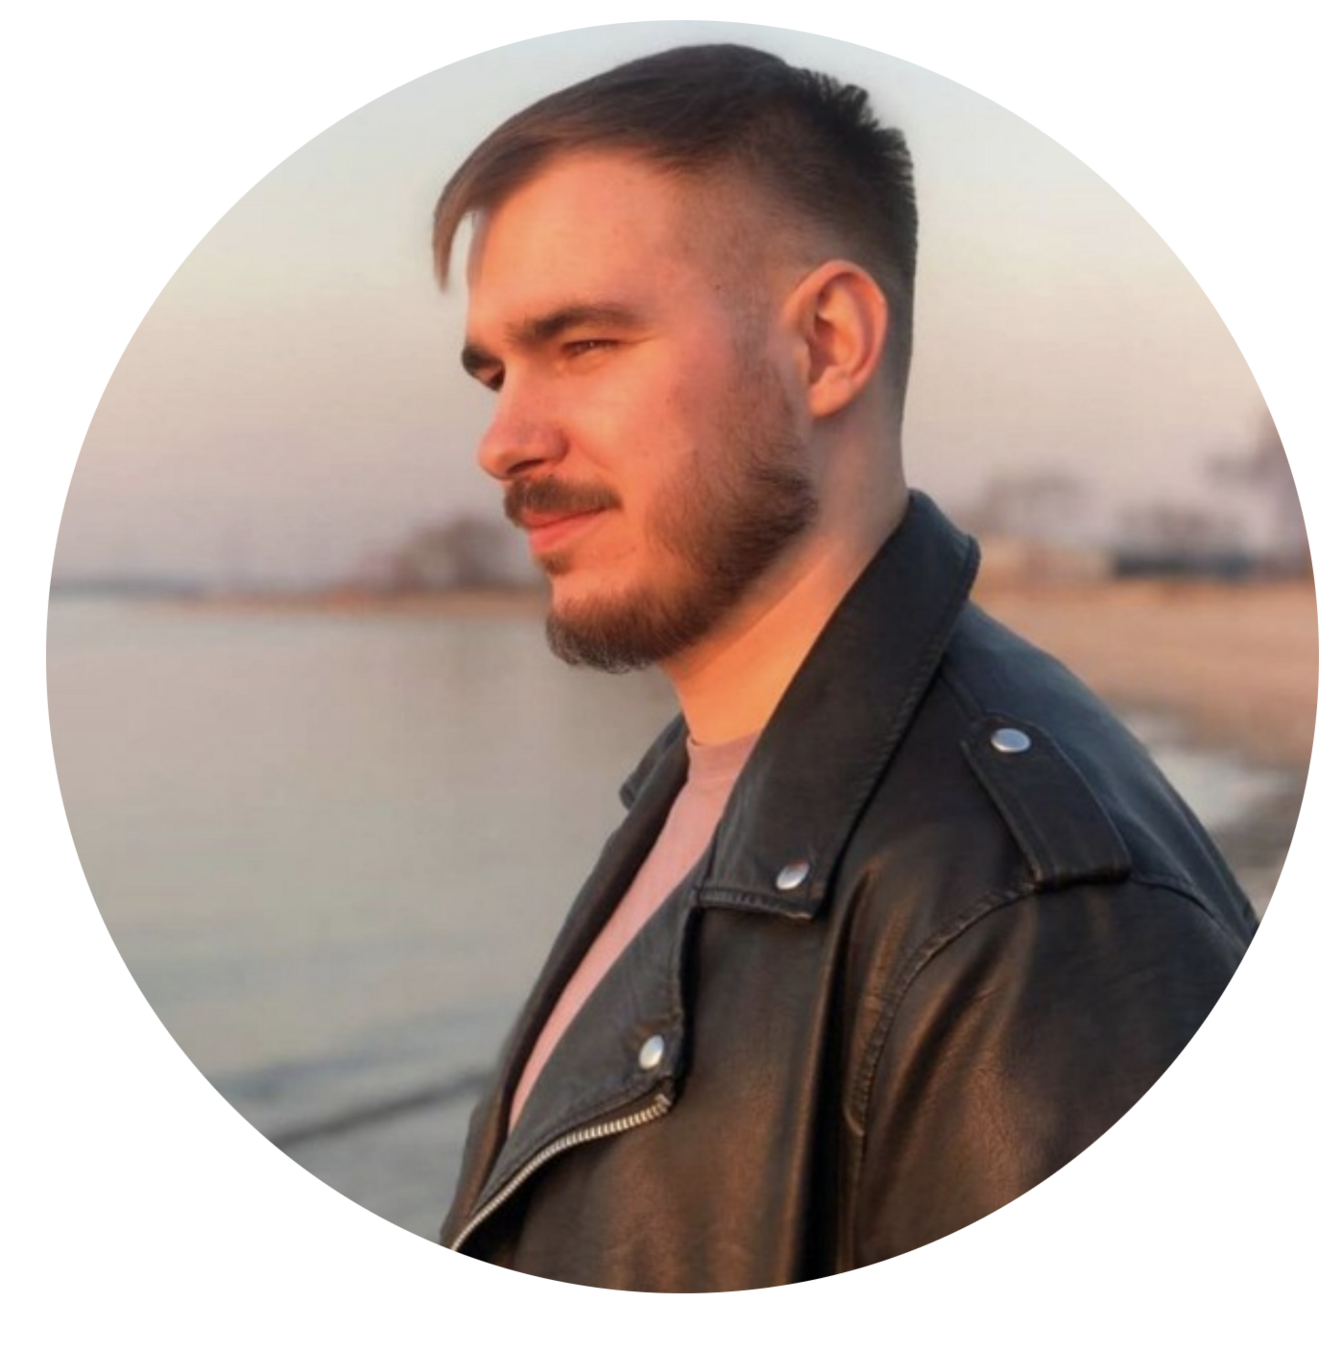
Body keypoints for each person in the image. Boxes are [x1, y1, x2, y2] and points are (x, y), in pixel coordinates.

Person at [432, 44, 1258, 1289]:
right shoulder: (715, 776)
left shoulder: (1024, 922)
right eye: (498, 371)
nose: (503, 441)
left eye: (586, 344)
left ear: (825, 344)